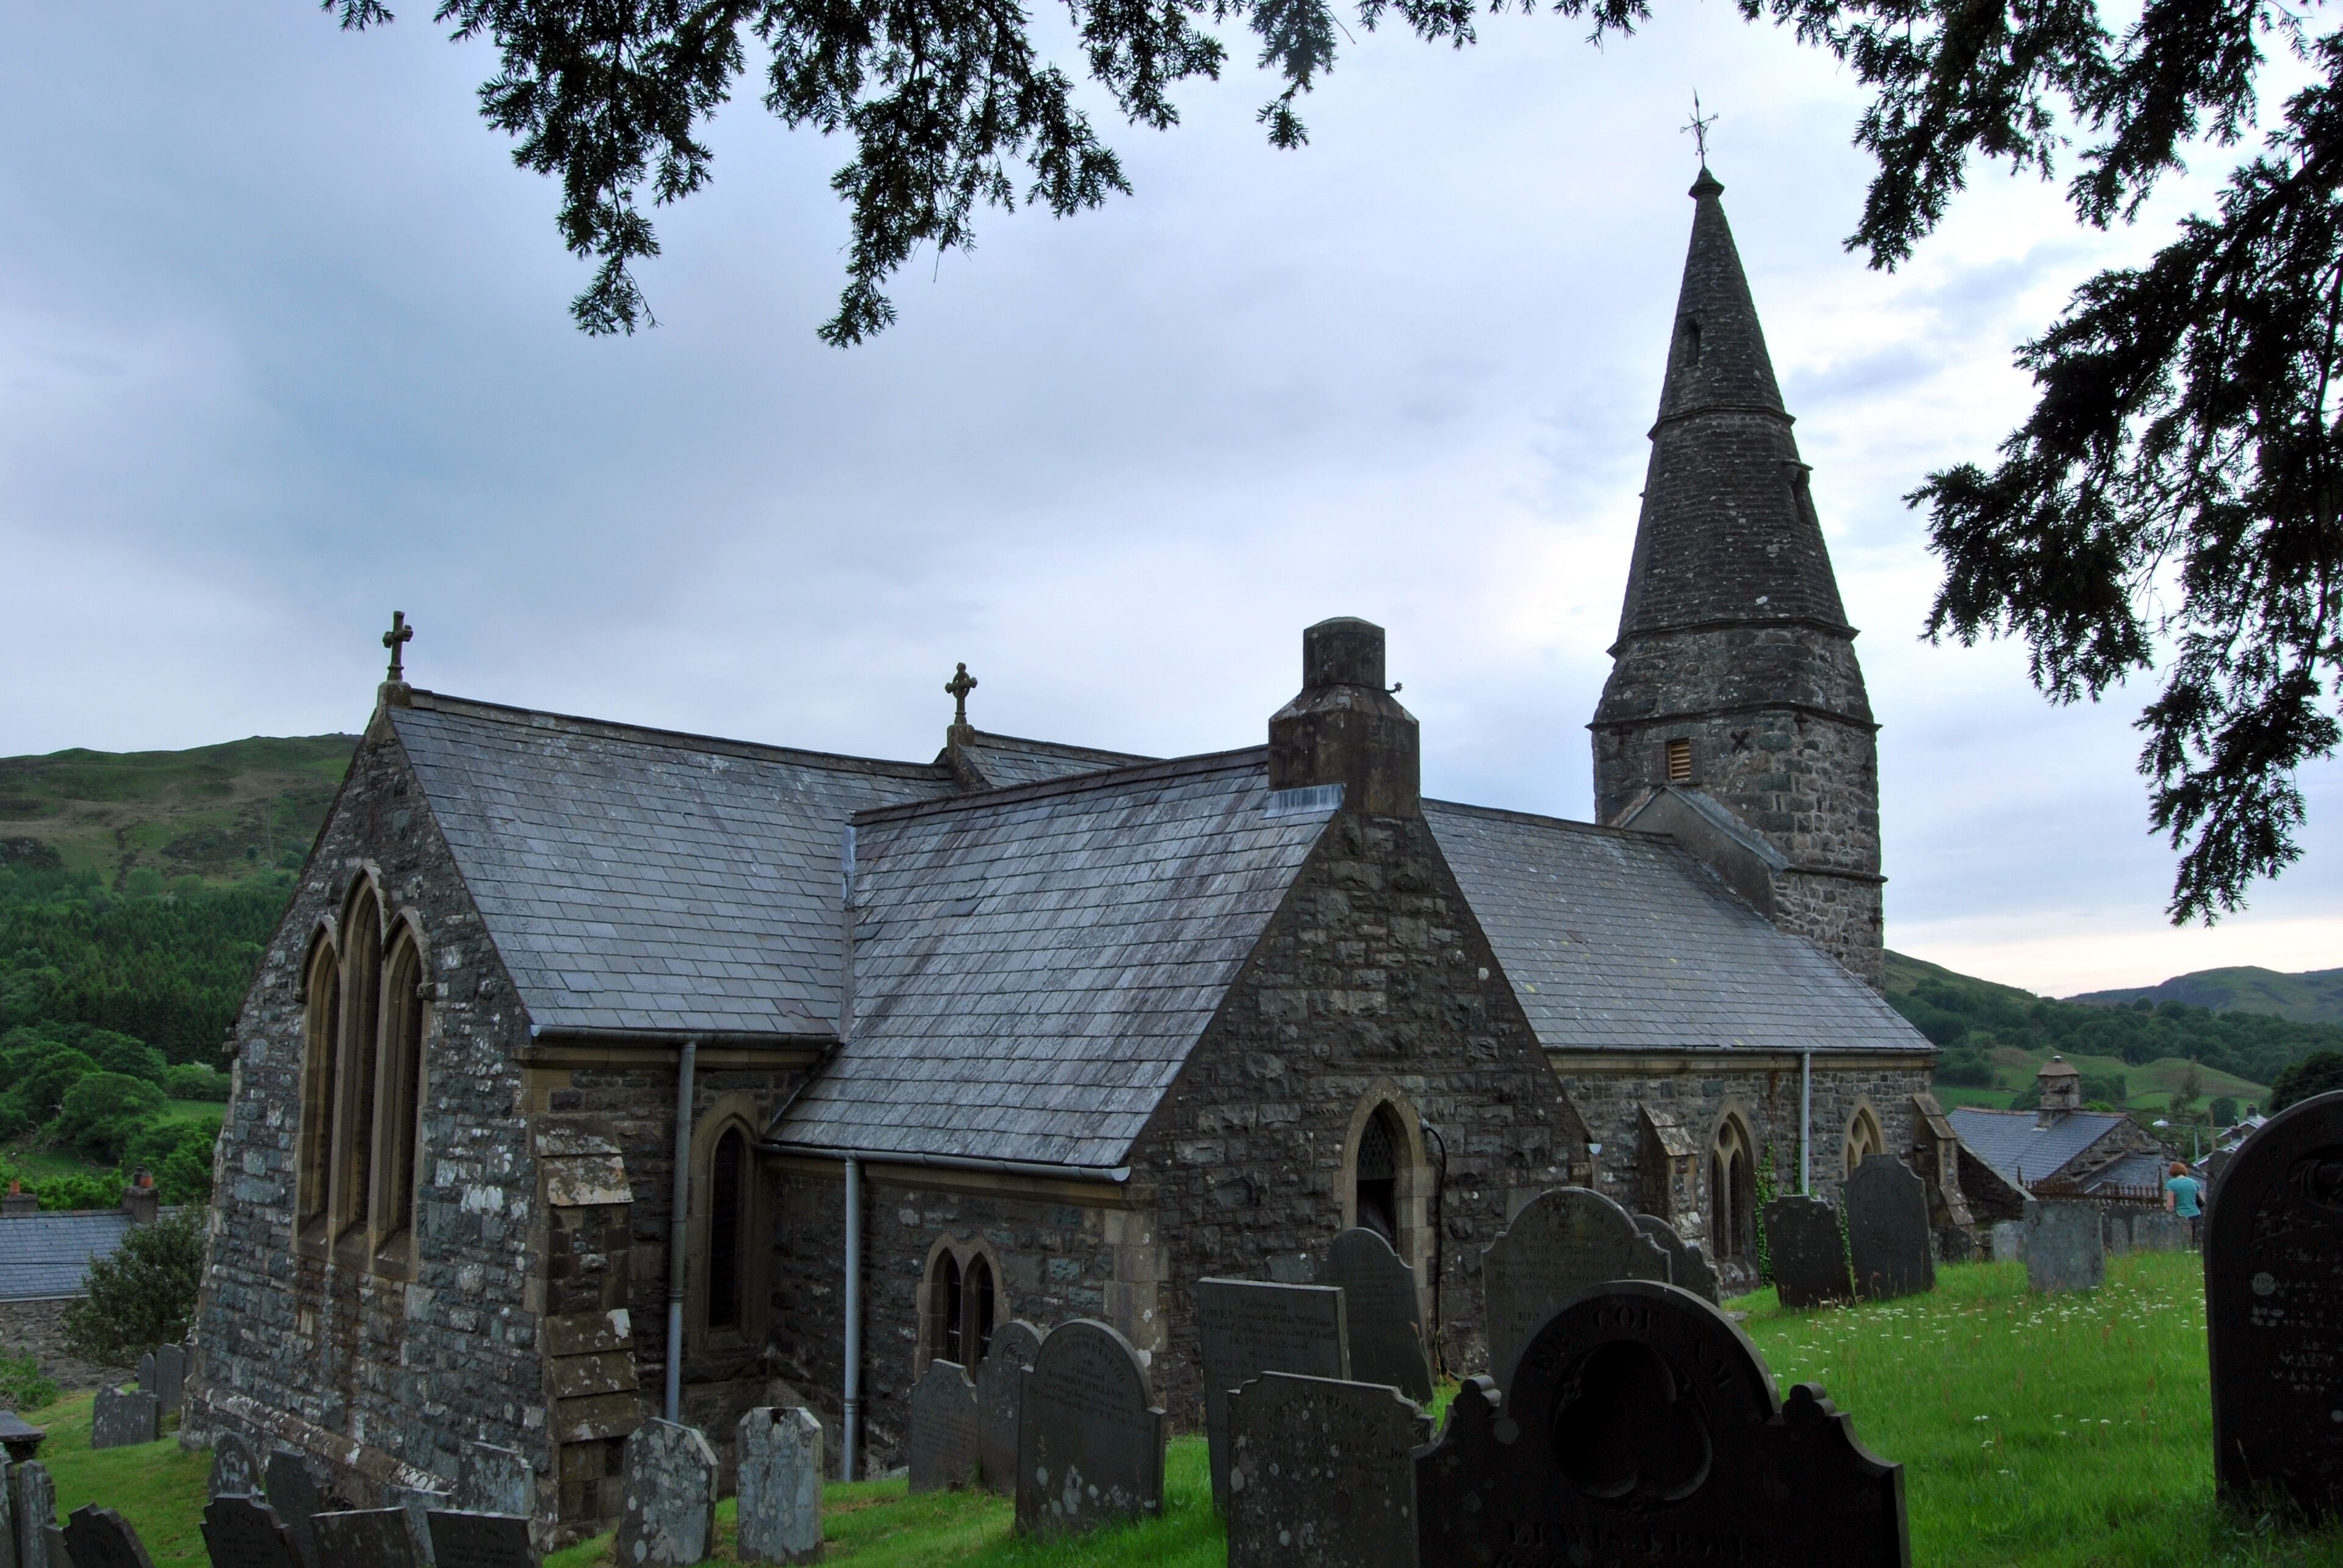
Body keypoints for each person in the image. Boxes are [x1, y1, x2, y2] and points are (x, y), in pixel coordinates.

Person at [2164, 1160, 2206, 1246]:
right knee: (2196, 1242)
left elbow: (2170, 1205)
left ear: (2172, 1172)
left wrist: (2168, 1216)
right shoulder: (2194, 1182)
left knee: (2184, 1243)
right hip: (2196, 1215)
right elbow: (2202, 1201)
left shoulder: (2171, 1184)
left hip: (2181, 1216)